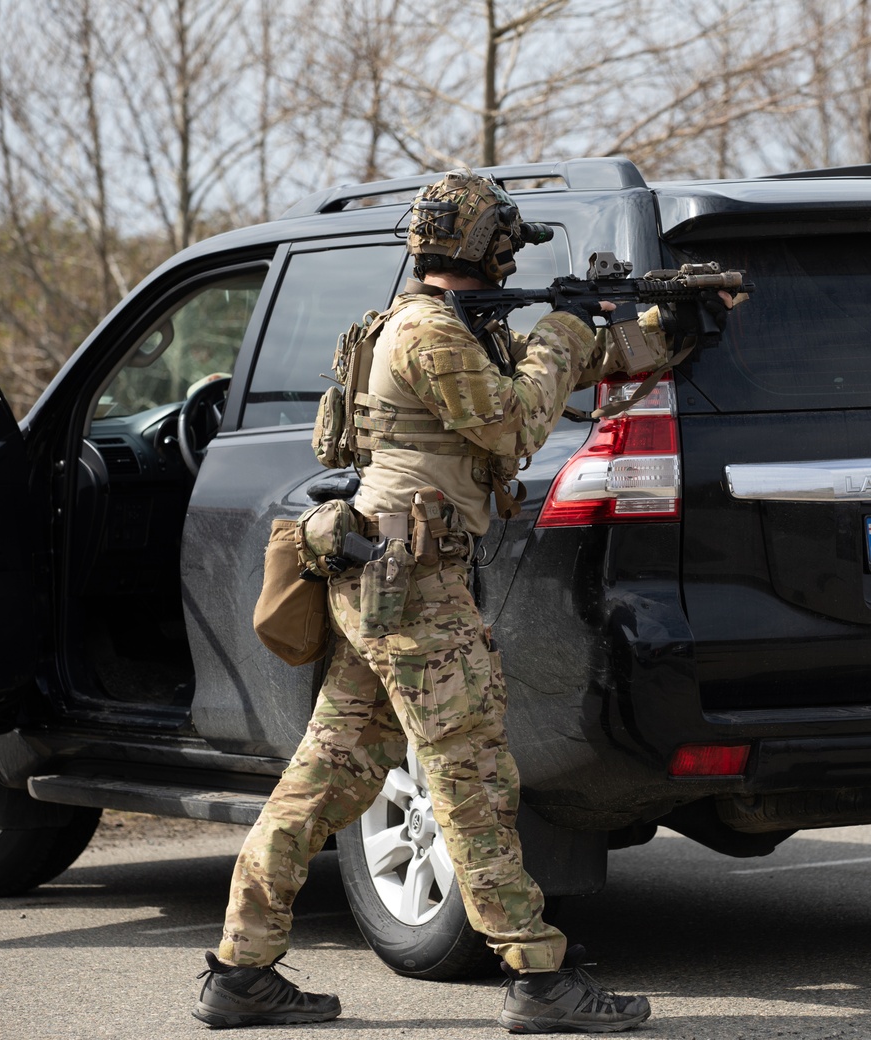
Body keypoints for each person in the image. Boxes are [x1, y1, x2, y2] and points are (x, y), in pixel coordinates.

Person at [194, 169, 717, 1033]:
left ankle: (240, 971)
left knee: (325, 778)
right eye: (506, 244)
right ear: (487, 247)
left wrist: (665, 329)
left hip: (390, 585)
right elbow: (515, 423)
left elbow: (571, 365)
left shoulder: (449, 332)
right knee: (471, 777)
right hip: (413, 590)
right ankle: (540, 978)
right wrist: (562, 326)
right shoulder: (429, 336)